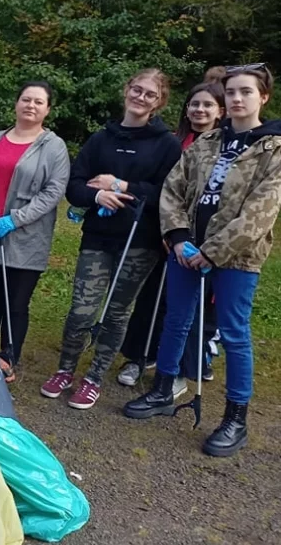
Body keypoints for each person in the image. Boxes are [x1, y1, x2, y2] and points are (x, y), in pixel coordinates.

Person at [124, 64, 281, 457]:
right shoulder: (208, 142)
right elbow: (173, 190)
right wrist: (178, 238)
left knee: (233, 332)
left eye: (246, 92)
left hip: (236, 257)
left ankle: (235, 417)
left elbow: (262, 211)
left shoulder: (273, 148)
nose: (237, 99)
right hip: (186, 250)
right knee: (176, 319)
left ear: (263, 97)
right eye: (231, 93)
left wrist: (214, 251)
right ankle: (162, 389)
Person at [40, 68, 182, 410]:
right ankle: (65, 370)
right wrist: (96, 197)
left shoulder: (167, 145)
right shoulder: (101, 138)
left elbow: (168, 192)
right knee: (81, 310)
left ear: (159, 102)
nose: (141, 97)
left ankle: (93, 378)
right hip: (98, 238)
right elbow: (75, 185)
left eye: (150, 94)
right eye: (137, 89)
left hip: (140, 240)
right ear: (126, 90)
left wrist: (121, 187)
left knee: (118, 312)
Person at [117, 79, 226, 387]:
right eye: (194, 104)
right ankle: (138, 356)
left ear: (220, 111)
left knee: (188, 307)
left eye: (207, 105)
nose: (199, 110)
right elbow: (166, 188)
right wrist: (171, 232)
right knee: (152, 298)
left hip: (203, 239)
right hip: (164, 232)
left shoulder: (226, 146)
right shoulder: (176, 141)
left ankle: (182, 366)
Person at [0, 81, 71, 382]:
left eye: (39, 102)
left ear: (47, 109)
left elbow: (53, 192)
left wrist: (15, 218)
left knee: (15, 302)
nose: (31, 105)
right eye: (26, 99)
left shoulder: (54, 147)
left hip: (25, 238)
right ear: (16, 103)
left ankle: (8, 355)